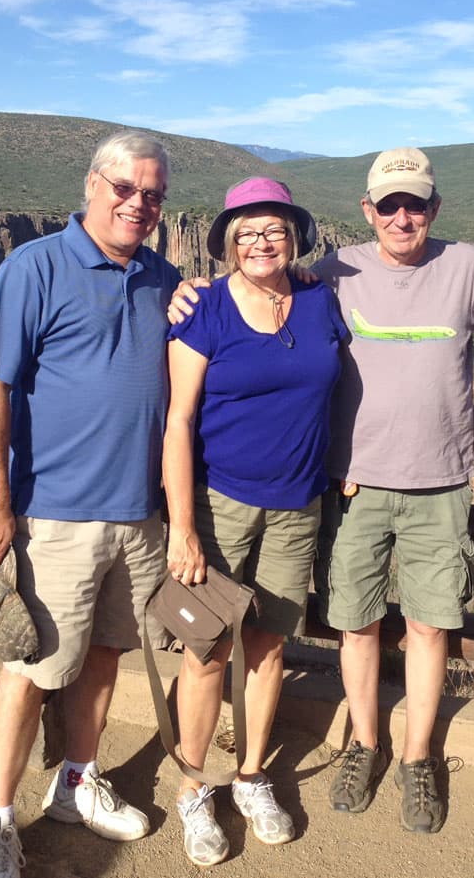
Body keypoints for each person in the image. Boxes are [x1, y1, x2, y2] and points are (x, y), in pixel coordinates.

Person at [167, 147, 474, 835]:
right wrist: (184, 287)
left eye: (416, 203)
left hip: (429, 486)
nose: (403, 216)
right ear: (368, 212)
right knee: (343, 627)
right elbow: (214, 353)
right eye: (389, 204)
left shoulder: (440, 269)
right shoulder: (333, 274)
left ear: (434, 207)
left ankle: (415, 755)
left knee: (419, 626)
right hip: (350, 485)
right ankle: (348, 748)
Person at [0, 131, 180, 878]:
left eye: (153, 193)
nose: (139, 204)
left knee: (104, 656)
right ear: (93, 185)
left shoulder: (165, 277)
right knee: (28, 668)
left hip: (139, 515)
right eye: (125, 188)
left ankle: (76, 782)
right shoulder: (35, 268)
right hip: (55, 512)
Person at [162, 177, 347, 866]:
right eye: (246, 232)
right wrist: (183, 526)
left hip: (298, 503)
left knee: (269, 648)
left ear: (293, 236)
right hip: (220, 505)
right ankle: (191, 787)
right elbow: (178, 422)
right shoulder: (204, 309)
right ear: (227, 243)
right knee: (205, 650)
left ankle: (250, 777)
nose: (260, 241)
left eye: (272, 229)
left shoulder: (321, 300)